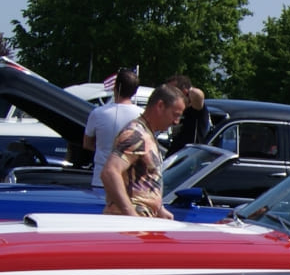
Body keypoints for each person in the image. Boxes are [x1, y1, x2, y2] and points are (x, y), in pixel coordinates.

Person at [101, 84, 186, 218]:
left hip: (142, 221)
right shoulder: (136, 134)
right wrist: (131, 214)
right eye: (175, 115)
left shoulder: (147, 134)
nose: (176, 122)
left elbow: (144, 181)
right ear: (160, 106)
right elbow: (110, 172)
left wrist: (159, 210)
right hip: (128, 226)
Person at [82, 68, 140, 192]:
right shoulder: (143, 115)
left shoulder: (97, 113)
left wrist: (104, 149)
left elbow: (87, 144)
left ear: (115, 87)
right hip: (130, 181)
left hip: (101, 179)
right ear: (135, 91)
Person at [164, 74, 210, 153]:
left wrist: (188, 91)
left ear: (184, 91)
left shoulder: (195, 109)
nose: (169, 94)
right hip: (176, 155)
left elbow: (197, 94)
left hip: (191, 157)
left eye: (172, 91)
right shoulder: (177, 109)